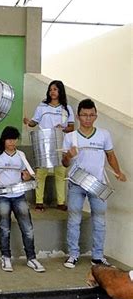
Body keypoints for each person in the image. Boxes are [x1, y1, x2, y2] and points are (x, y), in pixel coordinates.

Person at [62, 98, 126, 269]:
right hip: (76, 183)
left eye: (91, 115)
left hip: (98, 183)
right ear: (78, 116)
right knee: (74, 219)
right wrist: (68, 155)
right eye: (84, 115)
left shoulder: (104, 135)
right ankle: (73, 255)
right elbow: (64, 163)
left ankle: (97, 256)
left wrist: (118, 172)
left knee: (99, 220)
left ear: (96, 116)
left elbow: (110, 156)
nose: (88, 118)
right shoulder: (70, 137)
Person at [0, 126, 45, 273]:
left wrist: (26, 176)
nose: (12, 142)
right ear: (3, 139)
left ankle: (31, 257)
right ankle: (6, 257)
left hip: (18, 195)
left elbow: (28, 174)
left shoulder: (20, 155)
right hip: (0, 196)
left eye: (14, 139)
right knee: (4, 228)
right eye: (9, 139)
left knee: (27, 228)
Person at [23, 80, 74, 212]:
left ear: (60, 91)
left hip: (61, 142)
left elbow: (71, 127)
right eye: (51, 89)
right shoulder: (42, 107)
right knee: (41, 172)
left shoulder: (67, 108)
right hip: (44, 142)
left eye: (55, 89)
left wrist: (62, 128)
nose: (52, 92)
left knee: (60, 172)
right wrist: (29, 122)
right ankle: (39, 202)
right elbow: (34, 122)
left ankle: (61, 202)